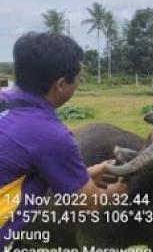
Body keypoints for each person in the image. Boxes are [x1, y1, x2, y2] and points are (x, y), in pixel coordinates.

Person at [0, 32, 126, 248]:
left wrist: (83, 176)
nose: (78, 84)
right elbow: (91, 202)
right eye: (78, 79)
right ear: (60, 85)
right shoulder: (50, 135)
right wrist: (131, 183)